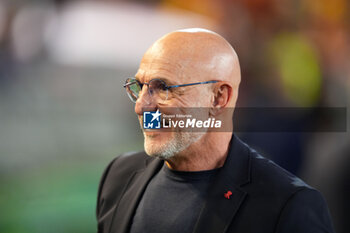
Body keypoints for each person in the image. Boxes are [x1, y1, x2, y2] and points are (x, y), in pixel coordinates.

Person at [96, 28, 334, 233]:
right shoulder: (118, 177)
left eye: (164, 88)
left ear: (219, 98)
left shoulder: (288, 205)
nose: (141, 106)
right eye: (141, 86)